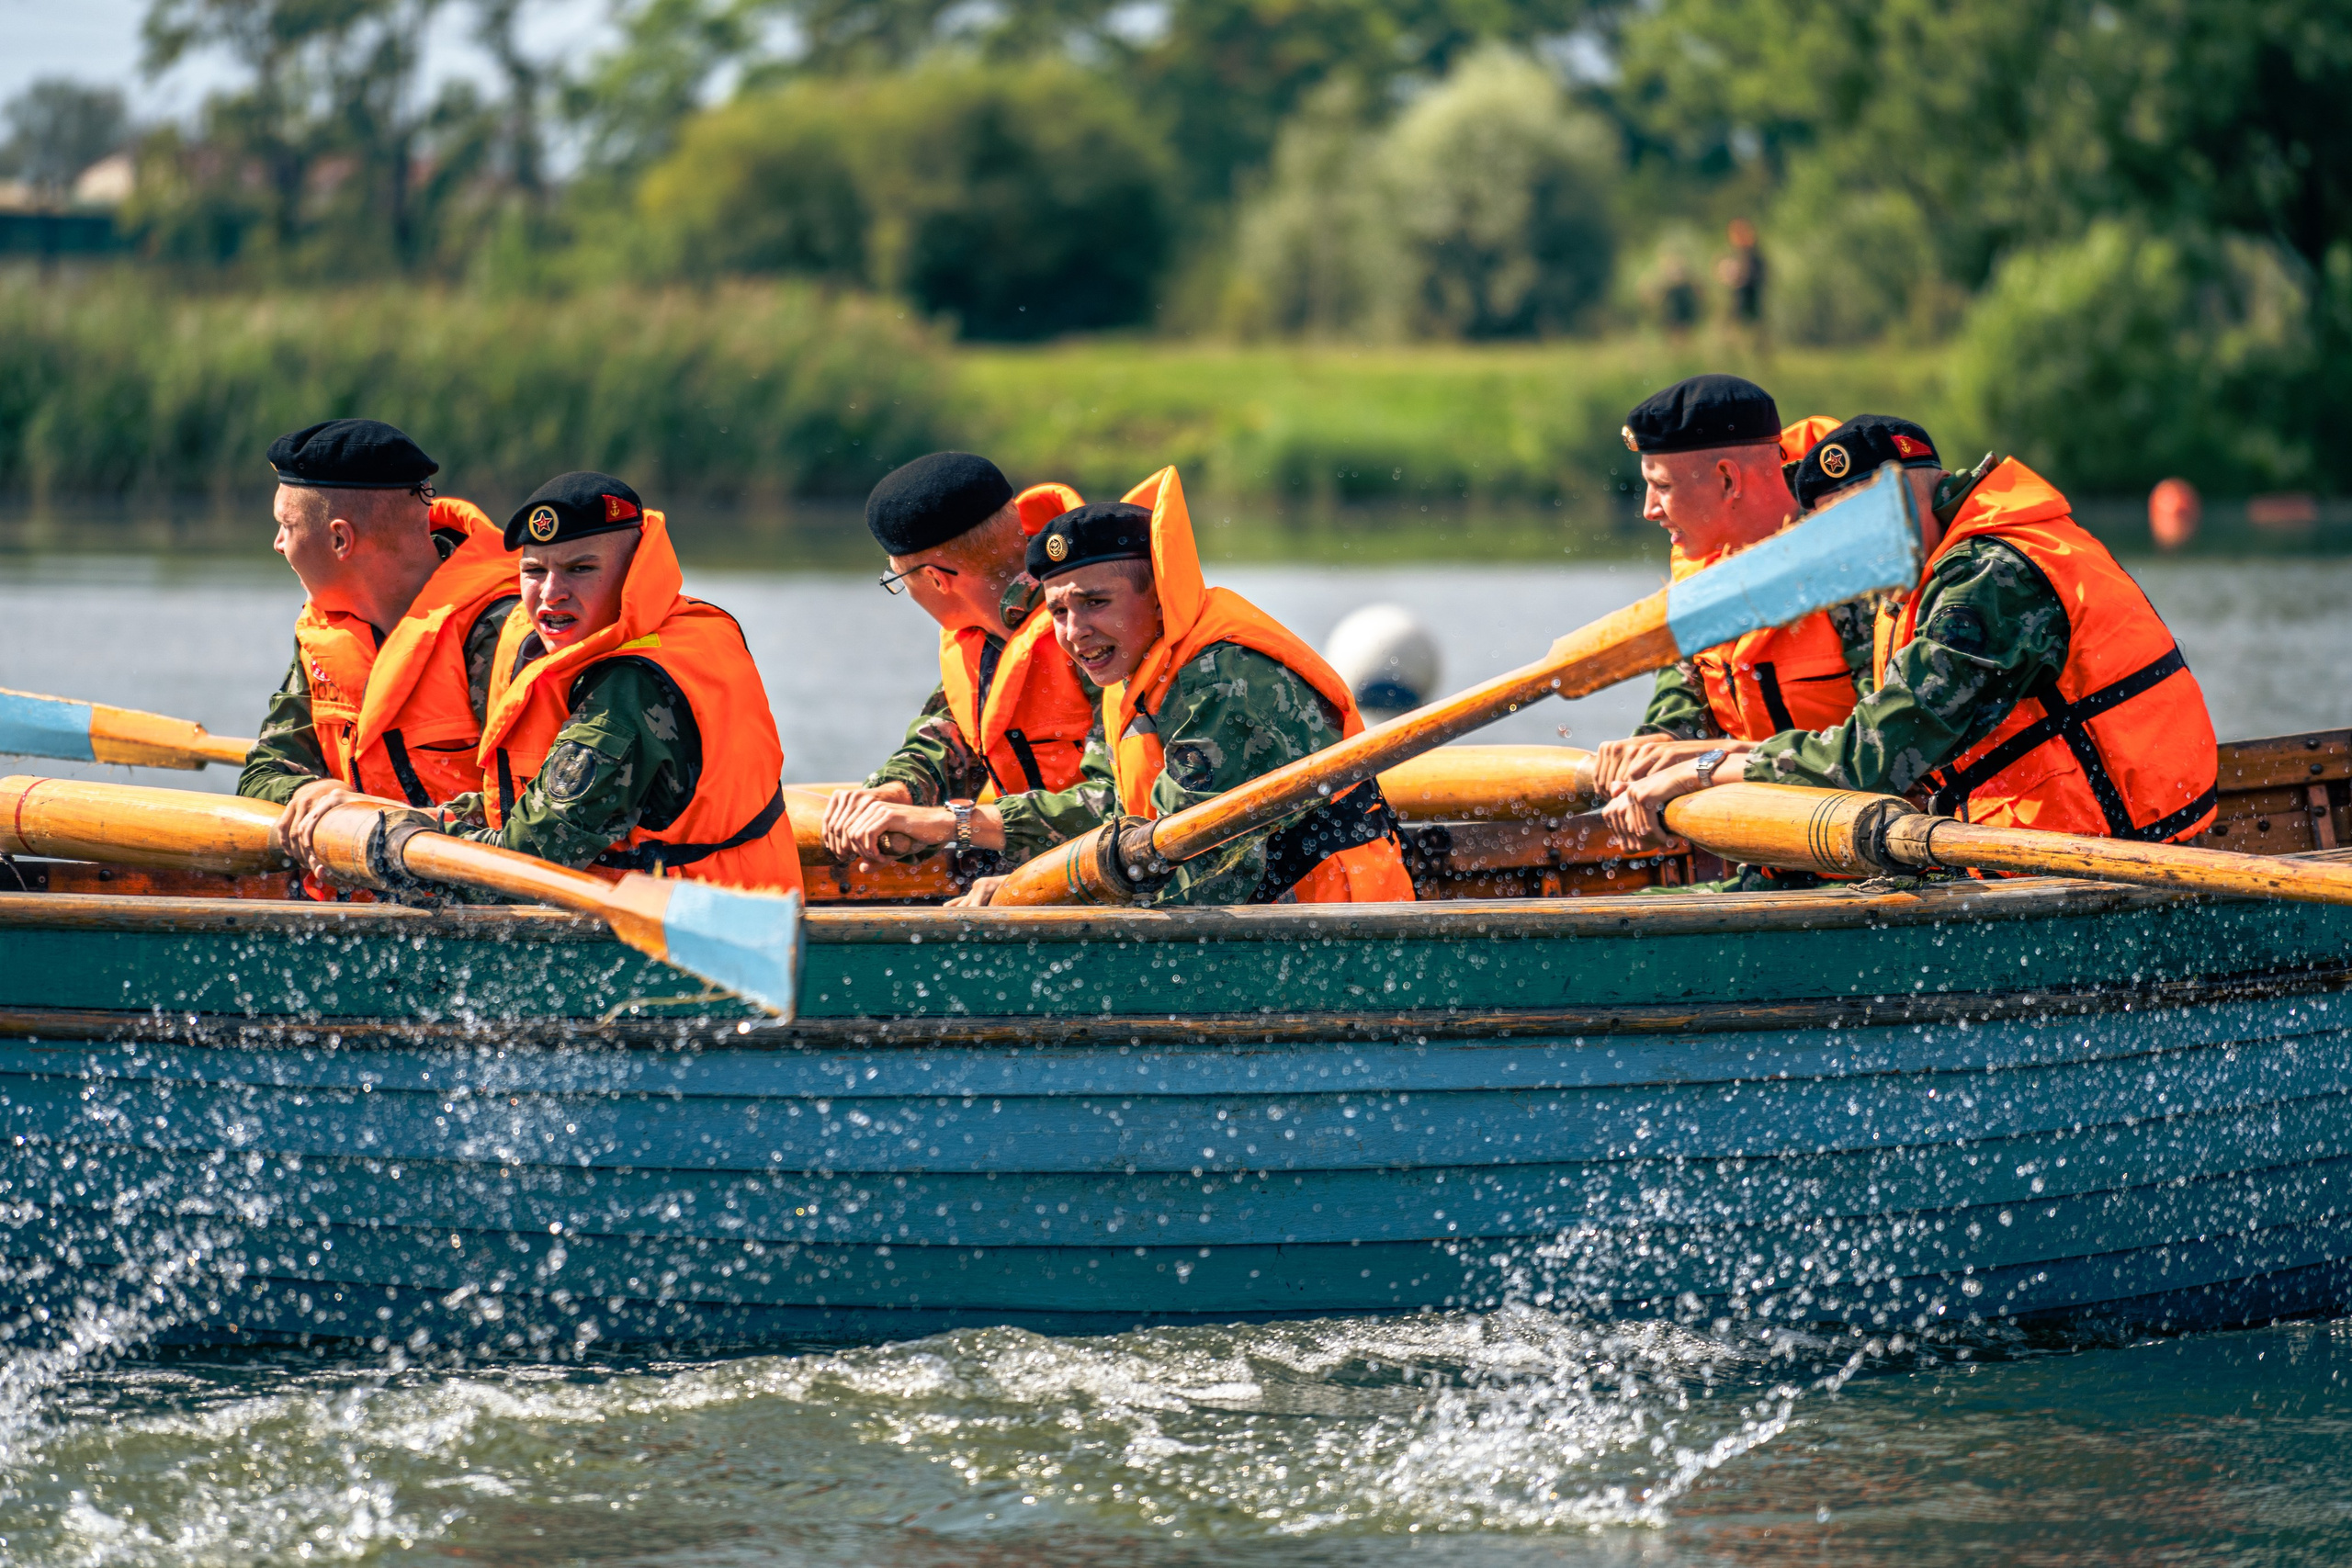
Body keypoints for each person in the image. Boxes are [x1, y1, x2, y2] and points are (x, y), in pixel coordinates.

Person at [1604, 415, 2219, 852]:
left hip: (2117, 866)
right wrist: (1718, 754)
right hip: (2026, 851)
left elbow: (1869, 759)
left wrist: (1702, 768)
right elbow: (1867, 737)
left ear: (1899, 498)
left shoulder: (1990, 580)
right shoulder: (1923, 573)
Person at [960, 468, 1417, 907]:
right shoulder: (1129, 675)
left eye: (1096, 602)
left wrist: (1033, 897)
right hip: (1256, 920)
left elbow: (1200, 866)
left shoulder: (1225, 678)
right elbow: (1114, 816)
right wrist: (1017, 878)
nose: (1074, 632)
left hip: (1338, 930)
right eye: (1059, 612)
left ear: (1160, 599)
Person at [417, 471, 802, 893]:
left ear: (633, 572)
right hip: (746, 905)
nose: (550, 593)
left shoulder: (629, 688)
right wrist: (425, 819)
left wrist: (392, 847)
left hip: (678, 940)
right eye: (533, 570)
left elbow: (526, 862)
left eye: (579, 569)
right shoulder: (686, 625)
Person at [238, 419, 518, 892]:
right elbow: (263, 773)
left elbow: (536, 821)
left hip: (490, 904)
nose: (278, 543)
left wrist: (374, 818)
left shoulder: (501, 634)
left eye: (286, 526)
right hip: (379, 899)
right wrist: (312, 791)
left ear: (341, 539)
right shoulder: (324, 632)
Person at [820, 452, 1112, 876]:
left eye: (898, 580)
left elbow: (1123, 803)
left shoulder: (1093, 631)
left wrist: (951, 825)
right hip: (1044, 864)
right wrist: (896, 793)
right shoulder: (984, 633)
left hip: (1111, 869)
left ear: (937, 579)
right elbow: (948, 737)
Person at [1594, 378, 1861, 795]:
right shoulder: (1701, 564)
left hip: (1863, 839)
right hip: (1768, 841)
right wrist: (1666, 735)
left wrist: (1704, 766)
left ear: (1727, 481)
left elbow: (1880, 750)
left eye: (1662, 487)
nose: (1648, 510)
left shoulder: (1859, 572)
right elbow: (1688, 681)